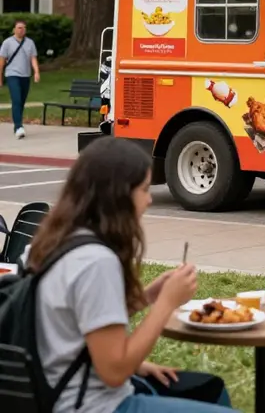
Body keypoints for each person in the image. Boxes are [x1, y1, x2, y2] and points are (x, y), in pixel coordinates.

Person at [26, 137, 236, 412]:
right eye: (145, 189)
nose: (149, 199)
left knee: (211, 391)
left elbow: (76, 324)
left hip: (54, 392)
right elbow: (114, 371)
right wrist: (165, 304)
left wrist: (146, 297)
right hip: (93, 406)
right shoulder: (96, 261)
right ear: (119, 195)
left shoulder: (51, 243)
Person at [0, 19, 40, 139]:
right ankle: (19, 127)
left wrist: (36, 72)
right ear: (14, 29)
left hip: (25, 75)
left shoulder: (30, 43)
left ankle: (17, 124)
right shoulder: (7, 43)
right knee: (16, 99)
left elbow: (33, 58)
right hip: (12, 75)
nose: (22, 30)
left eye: (23, 28)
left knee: (21, 102)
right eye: (19, 27)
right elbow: (2, 61)